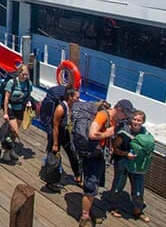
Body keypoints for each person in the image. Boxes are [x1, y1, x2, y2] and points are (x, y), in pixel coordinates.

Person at [78, 99, 135, 227]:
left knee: (95, 184)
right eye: (125, 114)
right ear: (119, 109)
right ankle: (84, 217)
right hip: (92, 155)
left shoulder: (114, 119)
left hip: (100, 155)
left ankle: (88, 211)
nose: (126, 117)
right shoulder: (103, 115)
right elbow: (92, 134)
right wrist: (108, 133)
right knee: (91, 186)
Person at [109, 110, 151, 222]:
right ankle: (113, 206)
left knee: (138, 187)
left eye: (139, 120)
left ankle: (138, 211)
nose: (136, 122)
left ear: (143, 122)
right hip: (122, 160)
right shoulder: (124, 133)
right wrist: (126, 154)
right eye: (134, 119)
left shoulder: (145, 133)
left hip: (137, 164)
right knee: (119, 184)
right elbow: (113, 148)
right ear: (131, 120)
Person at [46, 87, 81, 186]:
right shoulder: (60, 109)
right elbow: (55, 127)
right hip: (56, 136)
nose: (78, 100)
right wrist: (55, 144)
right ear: (70, 97)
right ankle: (50, 181)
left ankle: (78, 177)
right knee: (53, 158)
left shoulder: (73, 107)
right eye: (77, 98)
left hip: (65, 135)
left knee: (72, 154)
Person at [2, 64, 35, 162]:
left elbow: (28, 95)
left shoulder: (28, 84)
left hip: (21, 109)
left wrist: (29, 102)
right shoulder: (11, 83)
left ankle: (10, 149)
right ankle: (6, 152)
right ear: (19, 73)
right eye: (23, 74)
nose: (25, 77)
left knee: (14, 133)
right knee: (14, 130)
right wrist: (5, 113)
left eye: (26, 75)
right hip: (11, 108)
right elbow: (6, 98)